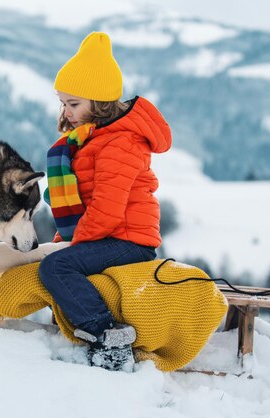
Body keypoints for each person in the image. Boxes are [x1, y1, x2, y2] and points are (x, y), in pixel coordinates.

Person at [38, 32, 172, 371]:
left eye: (73, 104)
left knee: (57, 266)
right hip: (109, 234)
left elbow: (107, 211)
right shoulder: (91, 137)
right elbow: (80, 201)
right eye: (63, 103)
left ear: (99, 102)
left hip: (128, 239)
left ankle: (108, 336)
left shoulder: (120, 143)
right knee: (51, 260)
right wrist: (65, 240)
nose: (66, 113)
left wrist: (68, 247)